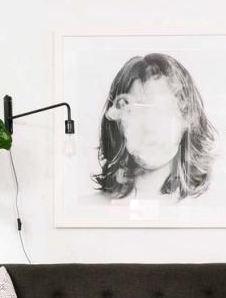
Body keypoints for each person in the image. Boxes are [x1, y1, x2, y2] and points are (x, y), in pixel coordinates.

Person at [92, 53, 215, 199]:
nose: (148, 124)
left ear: (187, 117)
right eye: (134, 110)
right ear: (117, 123)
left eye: (161, 109)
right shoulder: (95, 206)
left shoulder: (206, 210)